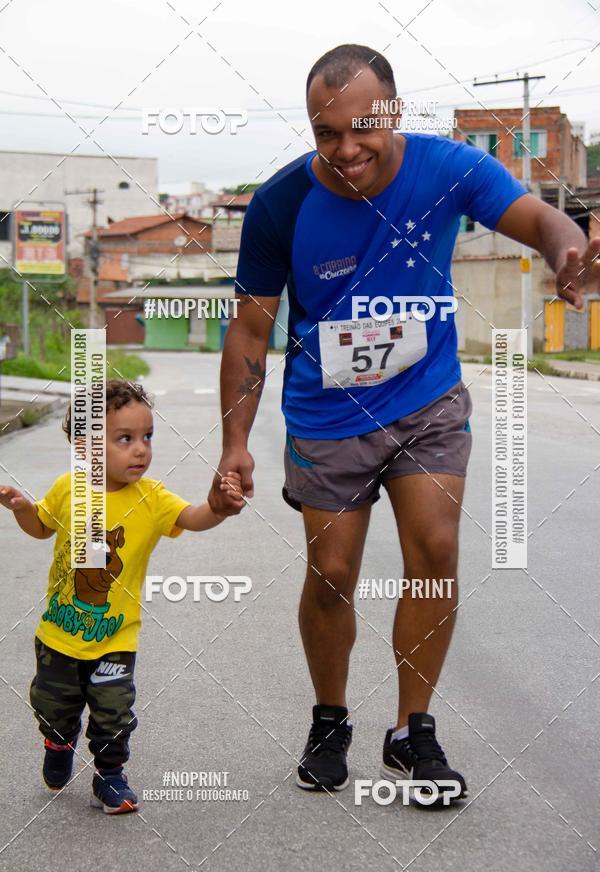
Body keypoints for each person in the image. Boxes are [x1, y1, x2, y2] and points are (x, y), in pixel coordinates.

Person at [208, 44, 600, 800]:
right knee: (332, 574)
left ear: (392, 112)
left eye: (362, 128)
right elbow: (250, 332)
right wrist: (233, 443)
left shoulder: (449, 167)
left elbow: (540, 220)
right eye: (327, 133)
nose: (346, 149)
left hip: (427, 400)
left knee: (437, 547)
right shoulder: (281, 203)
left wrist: (568, 249)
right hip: (327, 414)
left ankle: (411, 731)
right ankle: (330, 721)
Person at [0, 379, 243, 814]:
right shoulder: (68, 490)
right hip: (59, 636)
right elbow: (40, 528)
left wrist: (219, 509)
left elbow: (193, 516)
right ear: (86, 447)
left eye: (147, 437)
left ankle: (110, 776)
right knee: (52, 706)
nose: (141, 450)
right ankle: (59, 741)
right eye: (124, 439)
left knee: (114, 712)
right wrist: (22, 508)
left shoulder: (152, 498)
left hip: (117, 637)